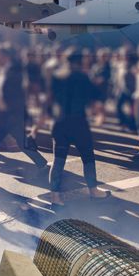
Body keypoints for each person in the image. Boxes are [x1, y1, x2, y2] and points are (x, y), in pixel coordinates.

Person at [0, 45, 48, 186]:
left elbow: (18, 95)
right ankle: (42, 164)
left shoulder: (14, 72)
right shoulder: (1, 70)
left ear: (4, 56)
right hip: (4, 116)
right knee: (8, 143)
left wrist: (8, 108)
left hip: (11, 116)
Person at [49, 50, 111, 204]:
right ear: (80, 61)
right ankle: (93, 191)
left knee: (58, 160)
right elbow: (96, 96)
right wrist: (100, 113)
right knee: (88, 156)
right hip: (77, 123)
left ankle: (55, 197)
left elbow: (49, 98)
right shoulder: (82, 77)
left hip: (59, 123)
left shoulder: (57, 75)